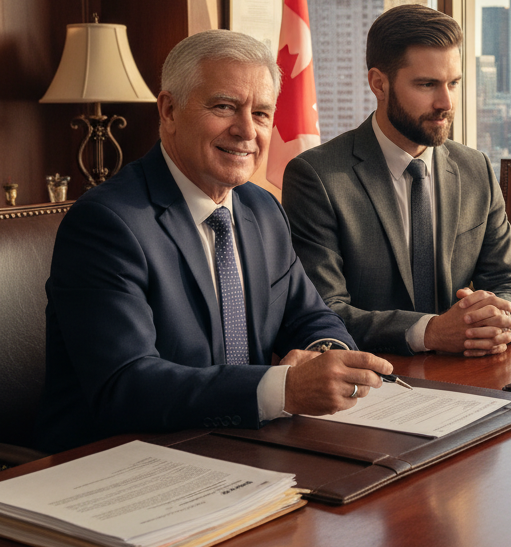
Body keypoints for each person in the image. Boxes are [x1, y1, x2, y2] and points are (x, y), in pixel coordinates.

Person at [37, 30, 394, 453]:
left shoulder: (261, 208)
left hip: (242, 444)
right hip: (123, 460)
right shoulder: (107, 223)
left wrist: (327, 356)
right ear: (169, 110)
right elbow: (126, 384)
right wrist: (282, 389)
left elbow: (309, 316)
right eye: (225, 107)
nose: (247, 131)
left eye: (261, 114)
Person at [282, 4, 511, 356]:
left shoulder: (474, 167)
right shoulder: (318, 177)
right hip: (375, 379)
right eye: (427, 84)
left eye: (454, 83)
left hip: (474, 370)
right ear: (379, 83)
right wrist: (428, 332)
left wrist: (506, 319)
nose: (446, 102)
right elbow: (325, 310)